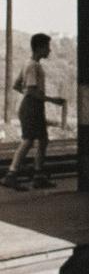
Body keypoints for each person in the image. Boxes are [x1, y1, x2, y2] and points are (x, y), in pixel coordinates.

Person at [2, 33, 64, 190]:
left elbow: (17, 85)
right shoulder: (33, 66)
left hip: (34, 107)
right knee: (28, 140)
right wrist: (52, 100)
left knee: (43, 140)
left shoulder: (28, 64)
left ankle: (38, 176)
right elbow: (30, 91)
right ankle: (11, 174)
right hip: (31, 108)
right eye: (47, 47)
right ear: (40, 47)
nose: (49, 50)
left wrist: (32, 95)